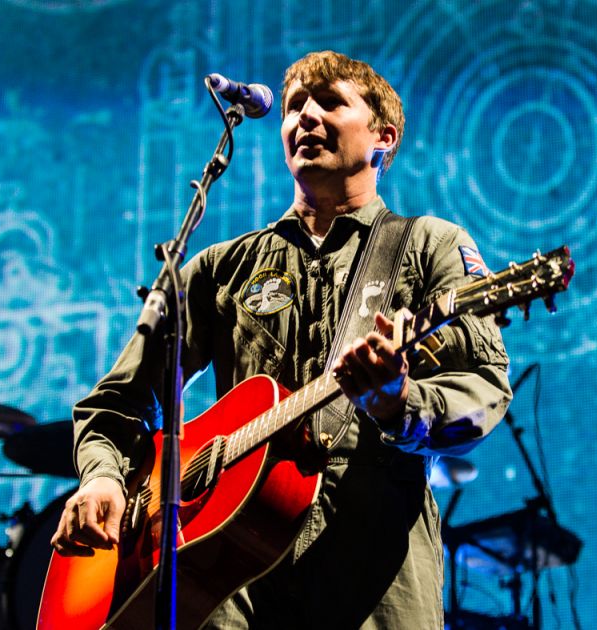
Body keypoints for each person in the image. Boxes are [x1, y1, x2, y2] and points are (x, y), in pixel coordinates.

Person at [51, 50, 513, 628]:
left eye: (330, 102)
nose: (304, 117)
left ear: (383, 137)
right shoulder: (220, 268)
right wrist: (102, 476)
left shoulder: (429, 246)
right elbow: (119, 399)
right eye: (295, 106)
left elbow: (483, 387)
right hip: (226, 590)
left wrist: (398, 402)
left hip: (372, 584)